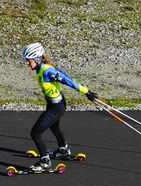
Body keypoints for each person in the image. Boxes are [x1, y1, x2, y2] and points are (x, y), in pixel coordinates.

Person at [21, 42, 98, 171]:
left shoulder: (47, 71)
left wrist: (87, 92)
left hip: (56, 107)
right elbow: (63, 75)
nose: (27, 63)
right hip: (53, 104)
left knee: (35, 133)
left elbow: (68, 80)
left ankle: (44, 161)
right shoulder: (42, 69)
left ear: (36, 59)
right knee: (54, 127)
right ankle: (63, 150)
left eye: (29, 60)